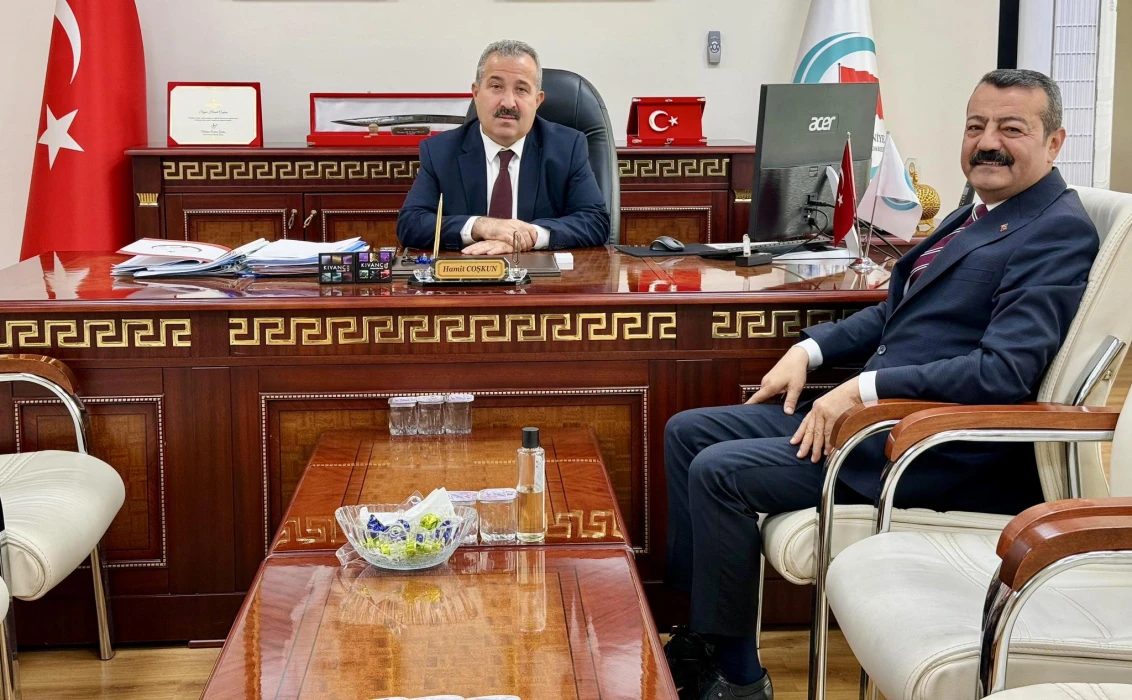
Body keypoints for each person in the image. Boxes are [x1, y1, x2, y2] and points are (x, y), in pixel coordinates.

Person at [663, 69, 1099, 700]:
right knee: (687, 433)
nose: (987, 142)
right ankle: (702, 635)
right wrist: (810, 349)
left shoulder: (1056, 228)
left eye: (1011, 128)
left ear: (1054, 142)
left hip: (931, 449)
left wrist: (864, 390)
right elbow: (896, 313)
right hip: (876, 421)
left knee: (720, 471)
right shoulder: (979, 212)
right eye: (976, 126)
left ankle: (738, 679)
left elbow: (1003, 372)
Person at [396, 40, 610, 254]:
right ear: (476, 93)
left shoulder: (567, 148)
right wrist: (481, 226)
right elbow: (411, 224)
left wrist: (529, 236)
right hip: (468, 271)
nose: (508, 103)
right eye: (496, 87)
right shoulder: (440, 151)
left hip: (542, 272)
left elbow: (595, 222)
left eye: (521, 89)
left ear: (537, 101)